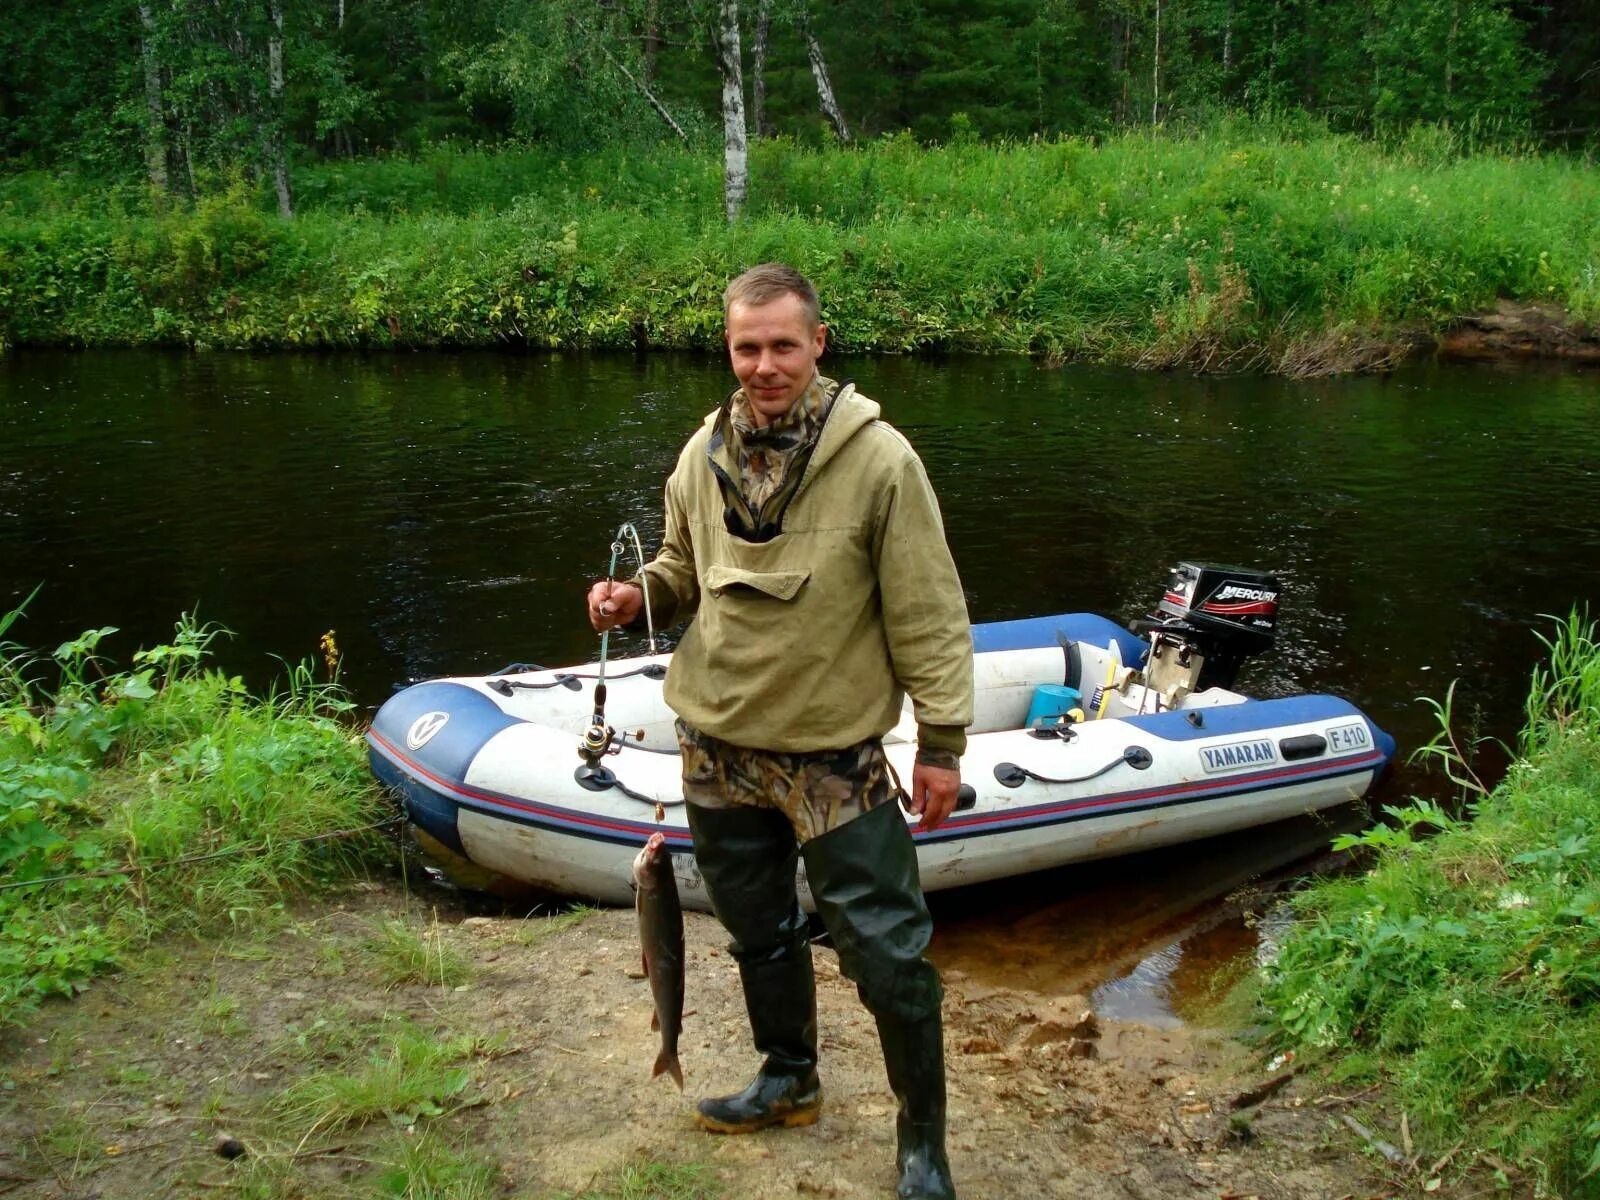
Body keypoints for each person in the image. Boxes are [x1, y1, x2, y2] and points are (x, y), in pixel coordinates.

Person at [586, 263, 973, 1200]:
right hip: (719, 743)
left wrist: (943, 743)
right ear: (729, 348)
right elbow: (684, 566)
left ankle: (923, 1144)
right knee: (758, 930)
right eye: (746, 347)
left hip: (834, 756)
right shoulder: (699, 453)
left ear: (817, 344)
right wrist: (640, 594)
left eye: (782, 347)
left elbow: (928, 611)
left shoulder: (882, 462)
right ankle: (788, 1077)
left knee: (887, 952)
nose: (764, 366)